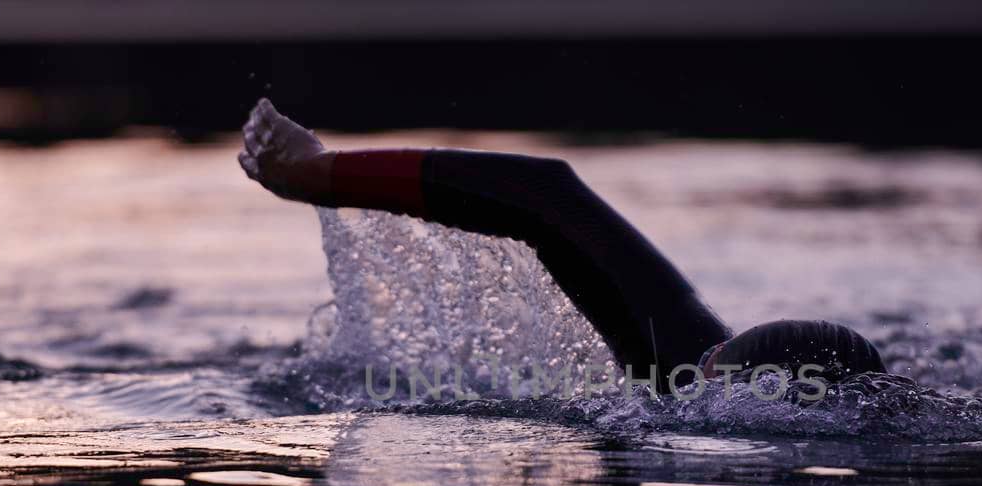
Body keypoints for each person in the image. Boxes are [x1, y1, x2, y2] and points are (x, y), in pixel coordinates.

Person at [238, 99, 884, 394]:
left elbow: (545, 194)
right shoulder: (686, 368)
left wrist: (315, 176)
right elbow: (548, 194)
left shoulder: (683, 379)